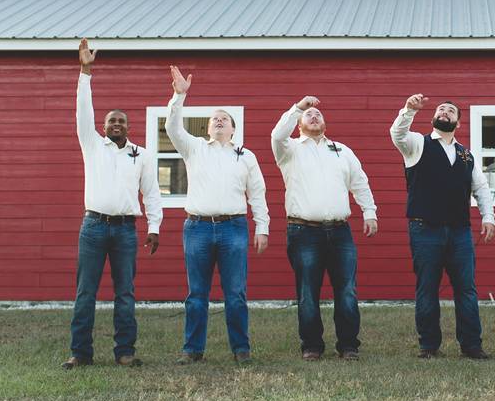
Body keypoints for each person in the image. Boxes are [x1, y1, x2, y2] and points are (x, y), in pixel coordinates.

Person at [64, 38, 163, 370]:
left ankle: (125, 351)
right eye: (111, 121)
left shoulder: (142, 155)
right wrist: (85, 71)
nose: (116, 124)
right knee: (85, 292)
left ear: (128, 127)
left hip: (125, 231)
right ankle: (80, 353)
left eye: (121, 120)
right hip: (93, 227)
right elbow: (83, 110)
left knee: (125, 293)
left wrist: (154, 227)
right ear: (103, 128)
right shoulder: (92, 146)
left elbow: (151, 193)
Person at [166, 65, 270, 365]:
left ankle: (241, 349)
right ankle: (192, 349)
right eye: (214, 119)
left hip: (233, 228)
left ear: (234, 128)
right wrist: (178, 96)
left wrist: (262, 227)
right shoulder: (194, 148)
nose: (219, 121)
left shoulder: (245, 156)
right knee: (196, 293)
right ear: (208, 128)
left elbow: (258, 194)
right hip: (197, 227)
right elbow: (173, 128)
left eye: (224, 119)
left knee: (235, 293)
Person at [271, 96, 378, 361]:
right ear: (299, 123)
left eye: (317, 113)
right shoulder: (289, 149)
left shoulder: (342, 150)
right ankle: (312, 346)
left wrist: (370, 211)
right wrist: (298, 106)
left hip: (340, 232)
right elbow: (276, 133)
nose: (313, 115)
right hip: (304, 232)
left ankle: (349, 345)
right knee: (308, 291)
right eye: (308, 114)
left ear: (325, 122)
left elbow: (360, 182)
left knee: (346, 290)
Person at [390, 95, 495, 359]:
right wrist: (408, 110)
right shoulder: (416, 144)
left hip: (460, 231)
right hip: (425, 229)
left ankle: (471, 345)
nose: (445, 112)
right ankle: (429, 346)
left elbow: (480, 187)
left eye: (450, 111)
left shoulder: (466, 154)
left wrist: (488, 216)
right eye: (440, 109)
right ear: (434, 118)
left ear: (458, 122)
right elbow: (397, 134)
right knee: (427, 287)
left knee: (467, 289)